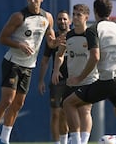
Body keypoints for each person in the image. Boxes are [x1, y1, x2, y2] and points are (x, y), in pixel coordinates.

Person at [63, 0, 116, 144]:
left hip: (110, 79)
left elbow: (95, 57)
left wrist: (78, 78)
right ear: (110, 12)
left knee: (69, 103)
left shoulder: (93, 30)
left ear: (95, 12)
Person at [0, 0, 57, 144]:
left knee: (18, 103)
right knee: (7, 100)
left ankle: (4, 138)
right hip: (13, 63)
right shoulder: (19, 17)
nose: (32, 0)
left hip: (29, 66)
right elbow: (2, 38)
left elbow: (50, 41)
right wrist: (19, 45)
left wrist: (55, 42)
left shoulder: (47, 17)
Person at [52, 4, 99, 144]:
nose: (76, 17)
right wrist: (56, 70)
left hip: (89, 79)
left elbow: (96, 56)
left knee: (85, 110)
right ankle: (70, 140)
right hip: (72, 79)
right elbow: (59, 55)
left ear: (86, 17)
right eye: (74, 14)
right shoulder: (68, 36)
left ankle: (81, 141)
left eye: (79, 15)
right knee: (65, 111)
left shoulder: (91, 34)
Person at [38, 10, 71, 144]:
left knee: (68, 113)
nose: (62, 21)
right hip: (57, 81)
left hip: (73, 81)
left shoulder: (76, 36)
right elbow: (45, 61)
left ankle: (69, 140)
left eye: (64, 19)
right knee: (56, 113)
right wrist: (41, 80)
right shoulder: (53, 40)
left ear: (70, 21)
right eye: (59, 19)